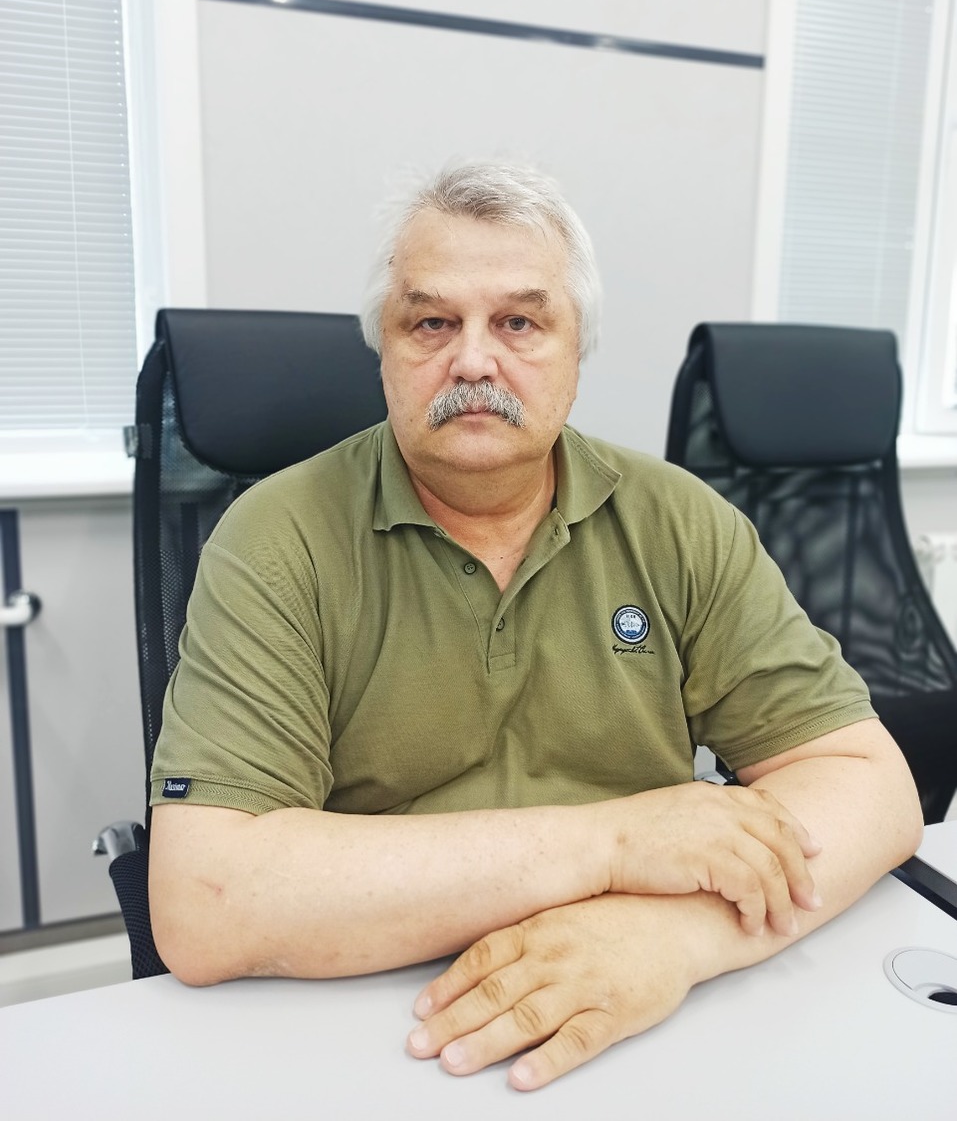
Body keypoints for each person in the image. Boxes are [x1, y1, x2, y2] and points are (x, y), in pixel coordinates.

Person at [149, 160, 922, 1091]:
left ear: (575, 350)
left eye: (518, 322)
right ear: (383, 349)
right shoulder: (276, 539)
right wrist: (615, 842)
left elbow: (870, 785)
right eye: (431, 323)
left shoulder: (680, 521)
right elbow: (205, 902)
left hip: (650, 1009)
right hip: (385, 1020)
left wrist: (672, 936)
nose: (474, 360)